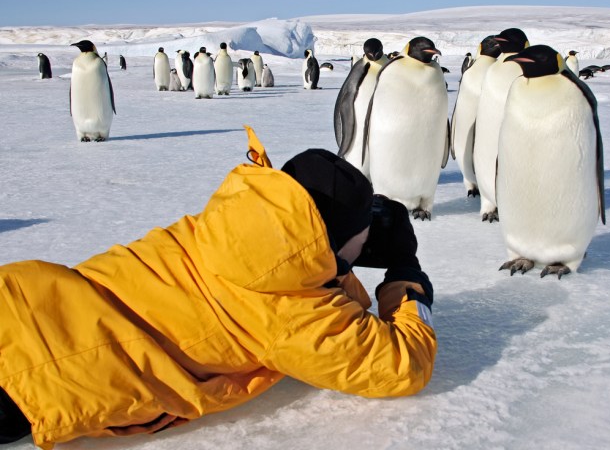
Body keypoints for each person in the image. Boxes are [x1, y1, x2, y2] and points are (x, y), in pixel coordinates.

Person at [0, 126, 436, 448]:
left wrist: (337, 261)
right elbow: (401, 366)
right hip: (44, 378)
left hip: (22, 298)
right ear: (334, 238)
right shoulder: (291, 313)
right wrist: (404, 273)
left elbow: (293, 272)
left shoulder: (222, 226)